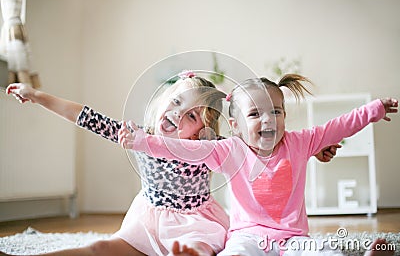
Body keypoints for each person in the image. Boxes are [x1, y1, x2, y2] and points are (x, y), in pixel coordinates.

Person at [4, 71, 339, 256]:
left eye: (192, 114)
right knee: (101, 248)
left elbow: (258, 148)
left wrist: (312, 149)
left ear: (204, 128)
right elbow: (86, 117)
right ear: (163, 100)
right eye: (176, 102)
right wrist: (39, 96)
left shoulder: (208, 148)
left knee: (196, 250)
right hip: (147, 222)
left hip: (197, 225)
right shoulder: (137, 135)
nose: (179, 113)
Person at [118, 74, 398, 256]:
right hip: (247, 238)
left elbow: (338, 126)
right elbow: (185, 148)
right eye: (254, 114)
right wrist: (142, 141)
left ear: (285, 116)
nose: (267, 120)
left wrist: (375, 109)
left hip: (294, 240)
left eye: (275, 112)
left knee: (325, 252)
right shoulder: (229, 150)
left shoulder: (300, 142)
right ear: (235, 126)